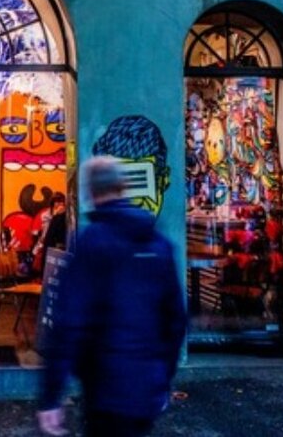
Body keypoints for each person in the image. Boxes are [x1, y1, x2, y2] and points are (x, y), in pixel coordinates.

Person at [37, 156, 186, 437]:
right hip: (147, 388)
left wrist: (51, 395)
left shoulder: (93, 242)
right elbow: (175, 321)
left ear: (91, 193)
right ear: (122, 187)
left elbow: (70, 323)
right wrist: (163, 378)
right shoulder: (159, 244)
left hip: (106, 388)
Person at [32, 192, 67, 274]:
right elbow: (46, 231)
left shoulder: (65, 214)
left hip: (59, 243)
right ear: (53, 203)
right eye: (57, 201)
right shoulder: (46, 215)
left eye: (62, 201)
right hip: (48, 242)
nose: (60, 204)